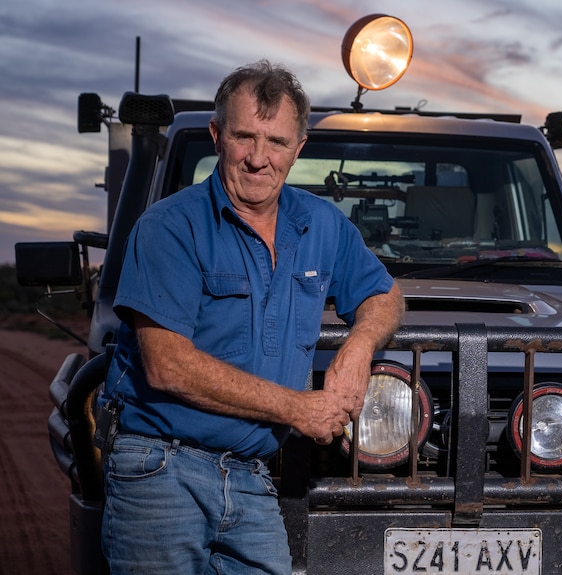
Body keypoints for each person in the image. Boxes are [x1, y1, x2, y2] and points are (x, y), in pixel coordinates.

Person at [97, 60, 404, 574]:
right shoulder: (169, 227)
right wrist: (298, 409)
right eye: (245, 137)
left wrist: (359, 346)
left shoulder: (321, 224)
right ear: (218, 135)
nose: (259, 158)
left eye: (278, 142)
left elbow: (386, 295)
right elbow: (168, 366)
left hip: (250, 475)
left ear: (300, 147)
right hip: (161, 469)